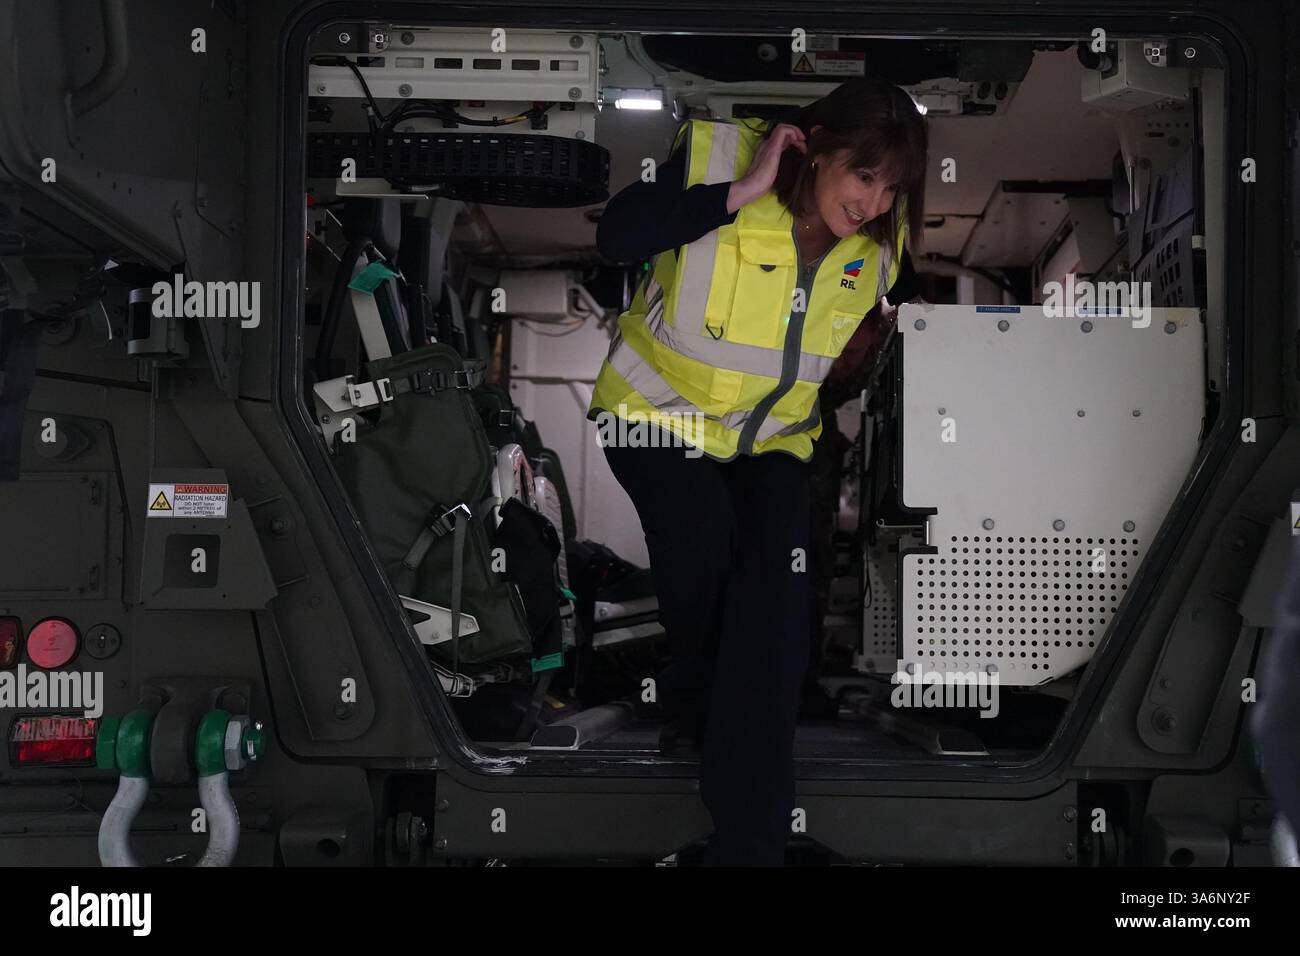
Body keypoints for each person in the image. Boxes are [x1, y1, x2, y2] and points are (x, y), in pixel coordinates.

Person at [588, 76, 928, 865]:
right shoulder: (718, 160)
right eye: (864, 175)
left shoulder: (882, 239)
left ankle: (750, 845)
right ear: (817, 150)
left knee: (776, 609)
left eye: (893, 186)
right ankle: (696, 701)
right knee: (705, 546)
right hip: (654, 416)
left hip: (770, 440)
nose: (875, 202)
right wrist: (736, 194)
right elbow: (618, 236)